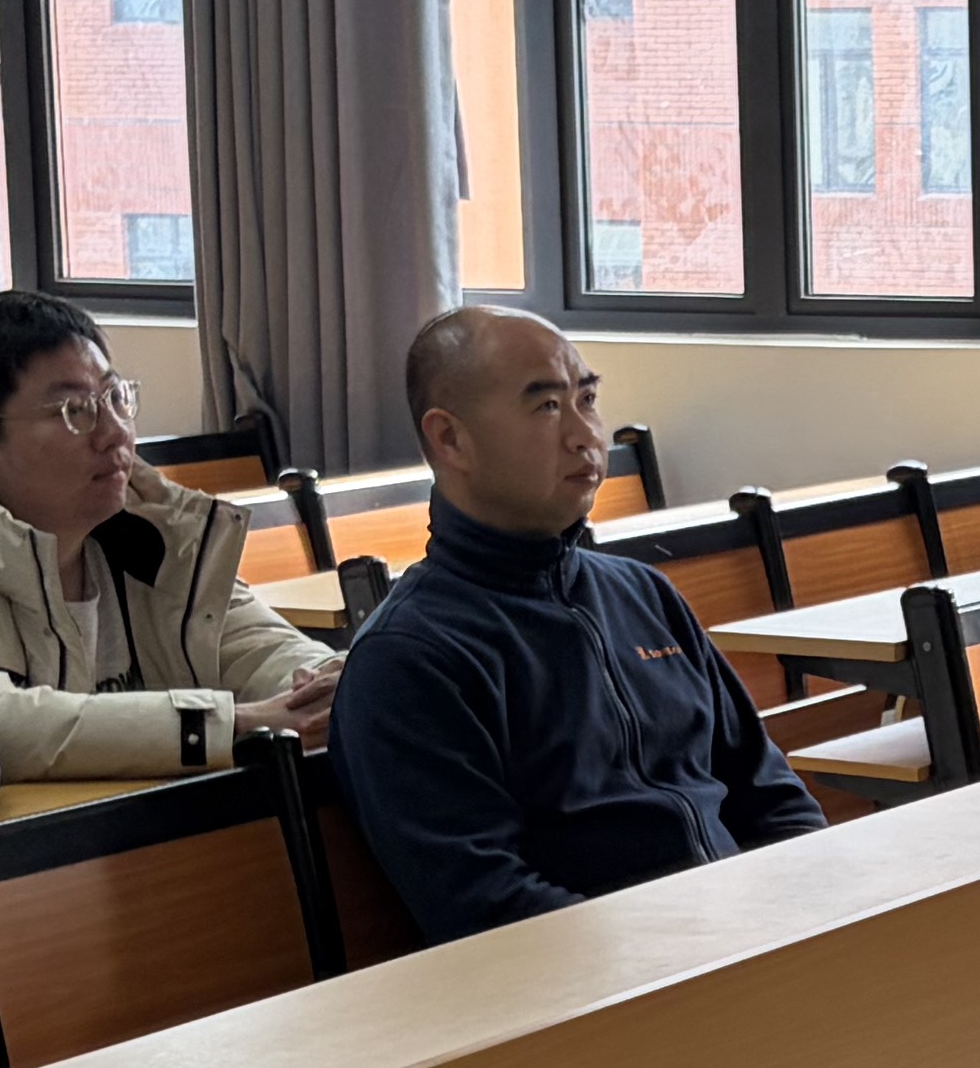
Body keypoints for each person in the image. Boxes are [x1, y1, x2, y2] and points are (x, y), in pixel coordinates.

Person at [328, 306, 825, 946]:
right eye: (546, 407)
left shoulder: (641, 592)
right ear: (450, 440)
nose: (587, 436)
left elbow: (772, 798)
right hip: (609, 983)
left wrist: (810, 916)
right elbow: (490, 910)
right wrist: (695, 951)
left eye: (587, 399)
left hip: (741, 949)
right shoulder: (411, 657)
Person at [0, 292, 334, 780]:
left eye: (116, 398)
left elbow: (263, 649)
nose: (116, 432)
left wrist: (332, 687)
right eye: (75, 410)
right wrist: (231, 725)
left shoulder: (152, 535)